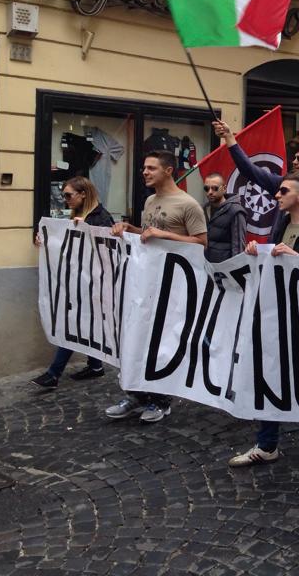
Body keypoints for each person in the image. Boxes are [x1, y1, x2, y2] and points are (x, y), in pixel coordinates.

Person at [228, 174, 299, 467]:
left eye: (284, 190)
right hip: (277, 311)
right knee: (269, 370)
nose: (277, 195)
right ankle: (267, 444)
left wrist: (298, 257)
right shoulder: (283, 225)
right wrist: (256, 253)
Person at [106, 151, 207, 422]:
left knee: (163, 342)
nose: (145, 172)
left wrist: (165, 234)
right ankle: (137, 395)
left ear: (169, 171)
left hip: (174, 285)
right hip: (146, 281)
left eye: (151, 168)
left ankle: (161, 400)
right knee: (138, 337)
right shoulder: (150, 200)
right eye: (144, 167)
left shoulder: (188, 204)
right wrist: (130, 228)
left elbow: (201, 242)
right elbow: (149, 236)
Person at [30, 177, 114, 389]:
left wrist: (85, 229)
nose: (64, 199)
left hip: (94, 283)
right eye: (63, 195)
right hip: (79, 281)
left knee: (74, 323)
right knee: (83, 324)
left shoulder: (101, 217)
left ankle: (53, 374)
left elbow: (108, 250)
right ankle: (95, 366)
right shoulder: (77, 215)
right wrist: (44, 239)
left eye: (68, 195)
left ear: (83, 194)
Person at [213, 121, 299, 236]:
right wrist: (229, 137)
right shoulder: (283, 183)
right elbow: (249, 170)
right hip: (277, 256)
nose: (294, 162)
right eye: (295, 158)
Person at [202, 172, 247, 263]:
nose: (210, 192)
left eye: (214, 188)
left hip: (225, 270)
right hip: (206, 267)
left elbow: (238, 247)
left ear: (224, 188)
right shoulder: (203, 209)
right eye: (206, 188)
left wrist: (234, 271)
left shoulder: (235, 211)